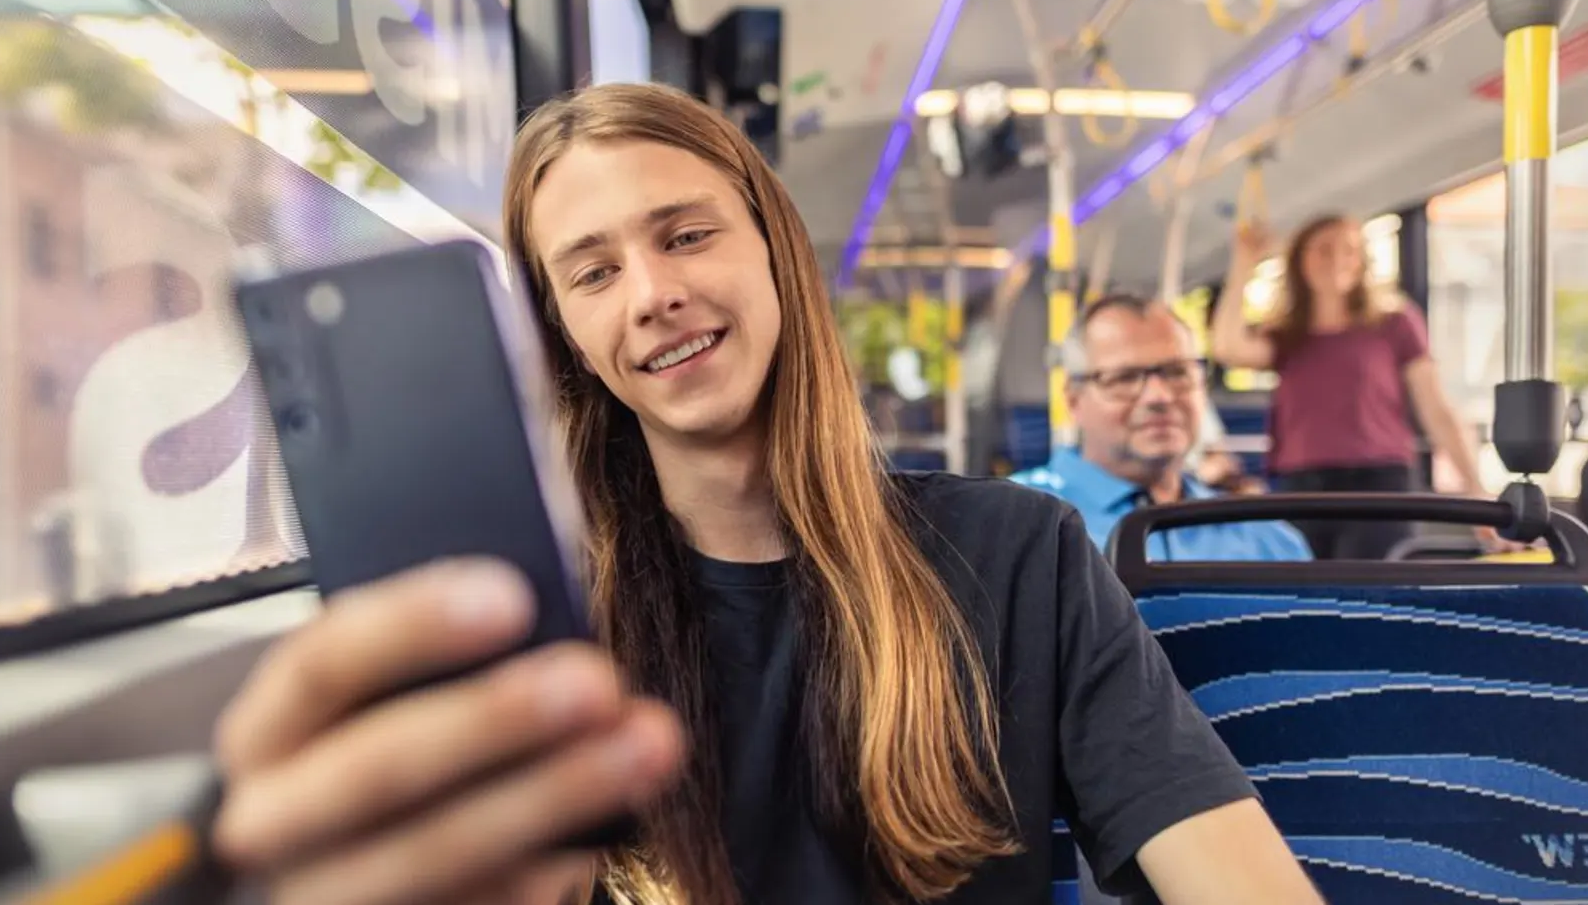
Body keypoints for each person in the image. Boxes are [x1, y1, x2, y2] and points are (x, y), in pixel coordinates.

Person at [209, 83, 1323, 905]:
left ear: (776, 253)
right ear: (568, 338)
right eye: (593, 272)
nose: (653, 293)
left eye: (687, 235)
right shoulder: (545, 634)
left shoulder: (1020, 555)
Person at [1211, 213, 1498, 560]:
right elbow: (1227, 346)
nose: (1337, 260)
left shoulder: (1395, 323)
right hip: (1302, 485)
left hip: (1379, 484)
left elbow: (1436, 409)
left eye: (1349, 250)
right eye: (1324, 250)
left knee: (1368, 593)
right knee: (1304, 593)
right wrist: (1244, 264)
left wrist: (1475, 489)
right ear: (1300, 260)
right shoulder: (1287, 335)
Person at [1010, 294, 1310, 562]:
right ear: (1074, 400)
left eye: (1177, 372)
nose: (1160, 397)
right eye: (1125, 378)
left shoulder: (1269, 542)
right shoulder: (1012, 521)